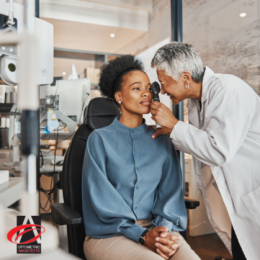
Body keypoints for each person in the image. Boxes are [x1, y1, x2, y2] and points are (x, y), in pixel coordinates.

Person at [82, 55, 200, 260]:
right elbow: (103, 201)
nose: (146, 93)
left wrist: (162, 232)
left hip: (158, 229)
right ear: (119, 96)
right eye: (137, 88)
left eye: (148, 88)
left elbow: (170, 194)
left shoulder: (162, 138)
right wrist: (143, 235)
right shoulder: (99, 140)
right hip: (110, 233)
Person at [150, 42, 260, 260]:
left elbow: (219, 151)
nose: (161, 91)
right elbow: (199, 143)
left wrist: (175, 125)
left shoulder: (228, 90)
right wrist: (171, 133)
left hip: (252, 192)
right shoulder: (195, 102)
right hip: (237, 202)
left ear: (185, 78)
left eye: (163, 83)